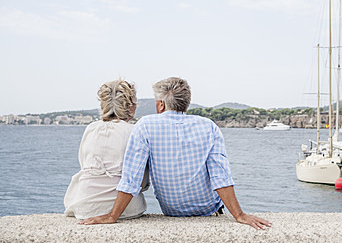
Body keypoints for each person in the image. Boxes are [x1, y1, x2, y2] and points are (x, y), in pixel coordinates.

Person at [80, 77, 271, 230]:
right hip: (208, 210)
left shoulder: (145, 125)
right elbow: (220, 176)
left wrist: (113, 216)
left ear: (161, 105)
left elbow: (132, 178)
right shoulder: (208, 126)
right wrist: (239, 215)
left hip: (172, 211)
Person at [64, 79, 148, 220]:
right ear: (130, 107)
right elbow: (141, 179)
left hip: (84, 206)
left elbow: (83, 163)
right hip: (127, 208)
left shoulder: (90, 129)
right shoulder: (134, 131)